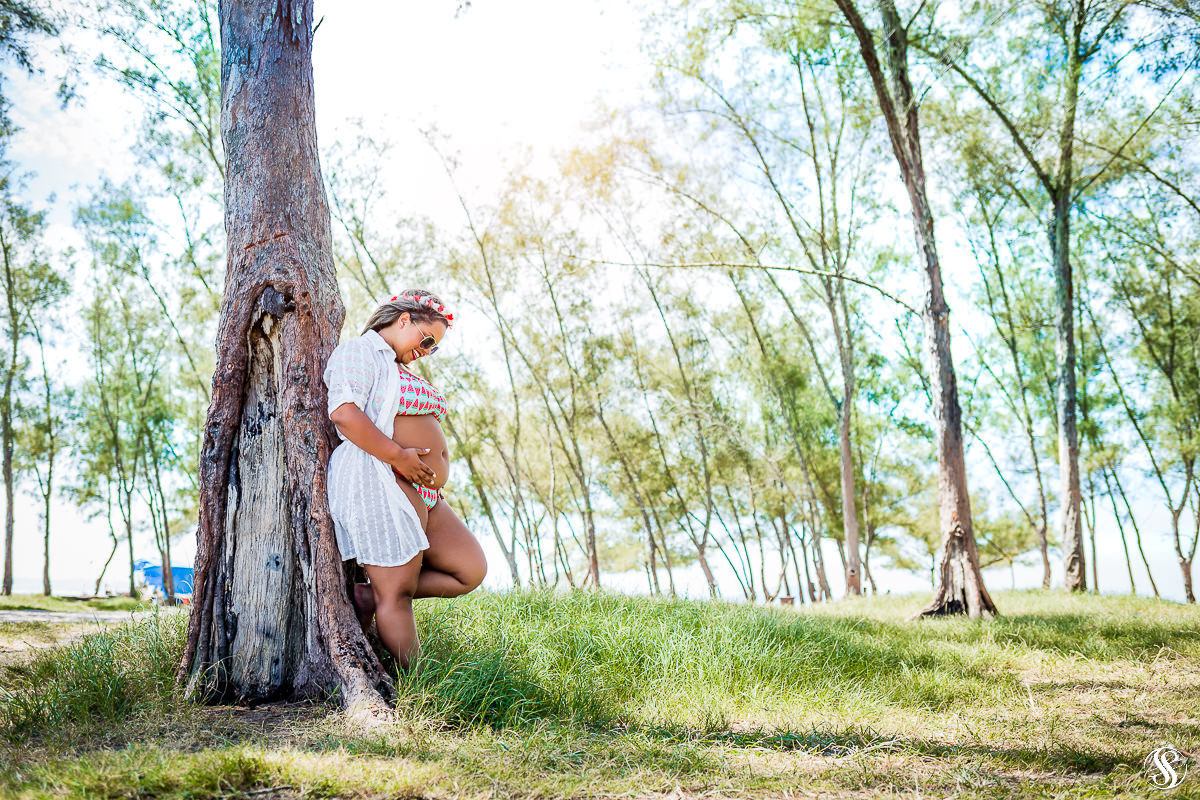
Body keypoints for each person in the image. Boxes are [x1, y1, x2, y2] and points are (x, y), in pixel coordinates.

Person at [324, 290, 487, 669]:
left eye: (434, 349)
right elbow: (345, 413)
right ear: (403, 319)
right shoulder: (361, 352)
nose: (426, 351)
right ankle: (422, 689)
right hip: (385, 482)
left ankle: (373, 594)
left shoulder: (399, 369)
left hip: (425, 493)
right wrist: (399, 457)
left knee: (469, 570)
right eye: (426, 339)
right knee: (396, 594)